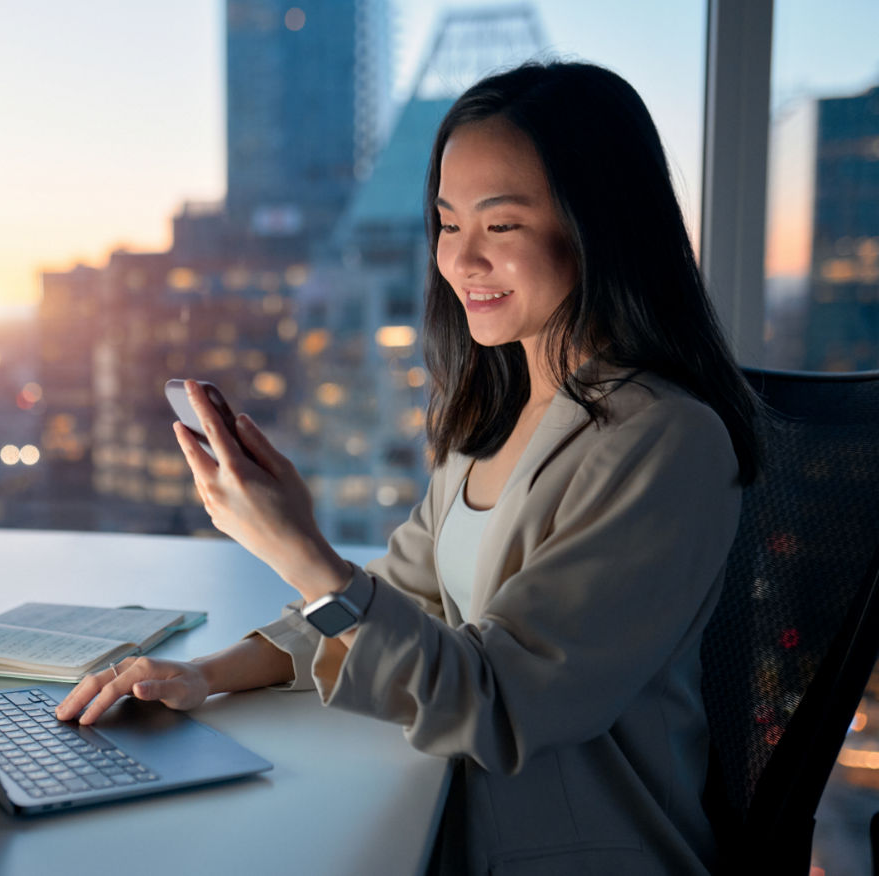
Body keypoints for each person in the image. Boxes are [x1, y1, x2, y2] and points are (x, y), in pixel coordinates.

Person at [56, 60, 761, 875]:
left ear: (601, 225)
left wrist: (301, 552)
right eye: (446, 222)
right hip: (463, 822)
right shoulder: (494, 422)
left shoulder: (668, 442)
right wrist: (202, 675)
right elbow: (393, 604)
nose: (460, 260)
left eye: (500, 227)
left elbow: (497, 704)